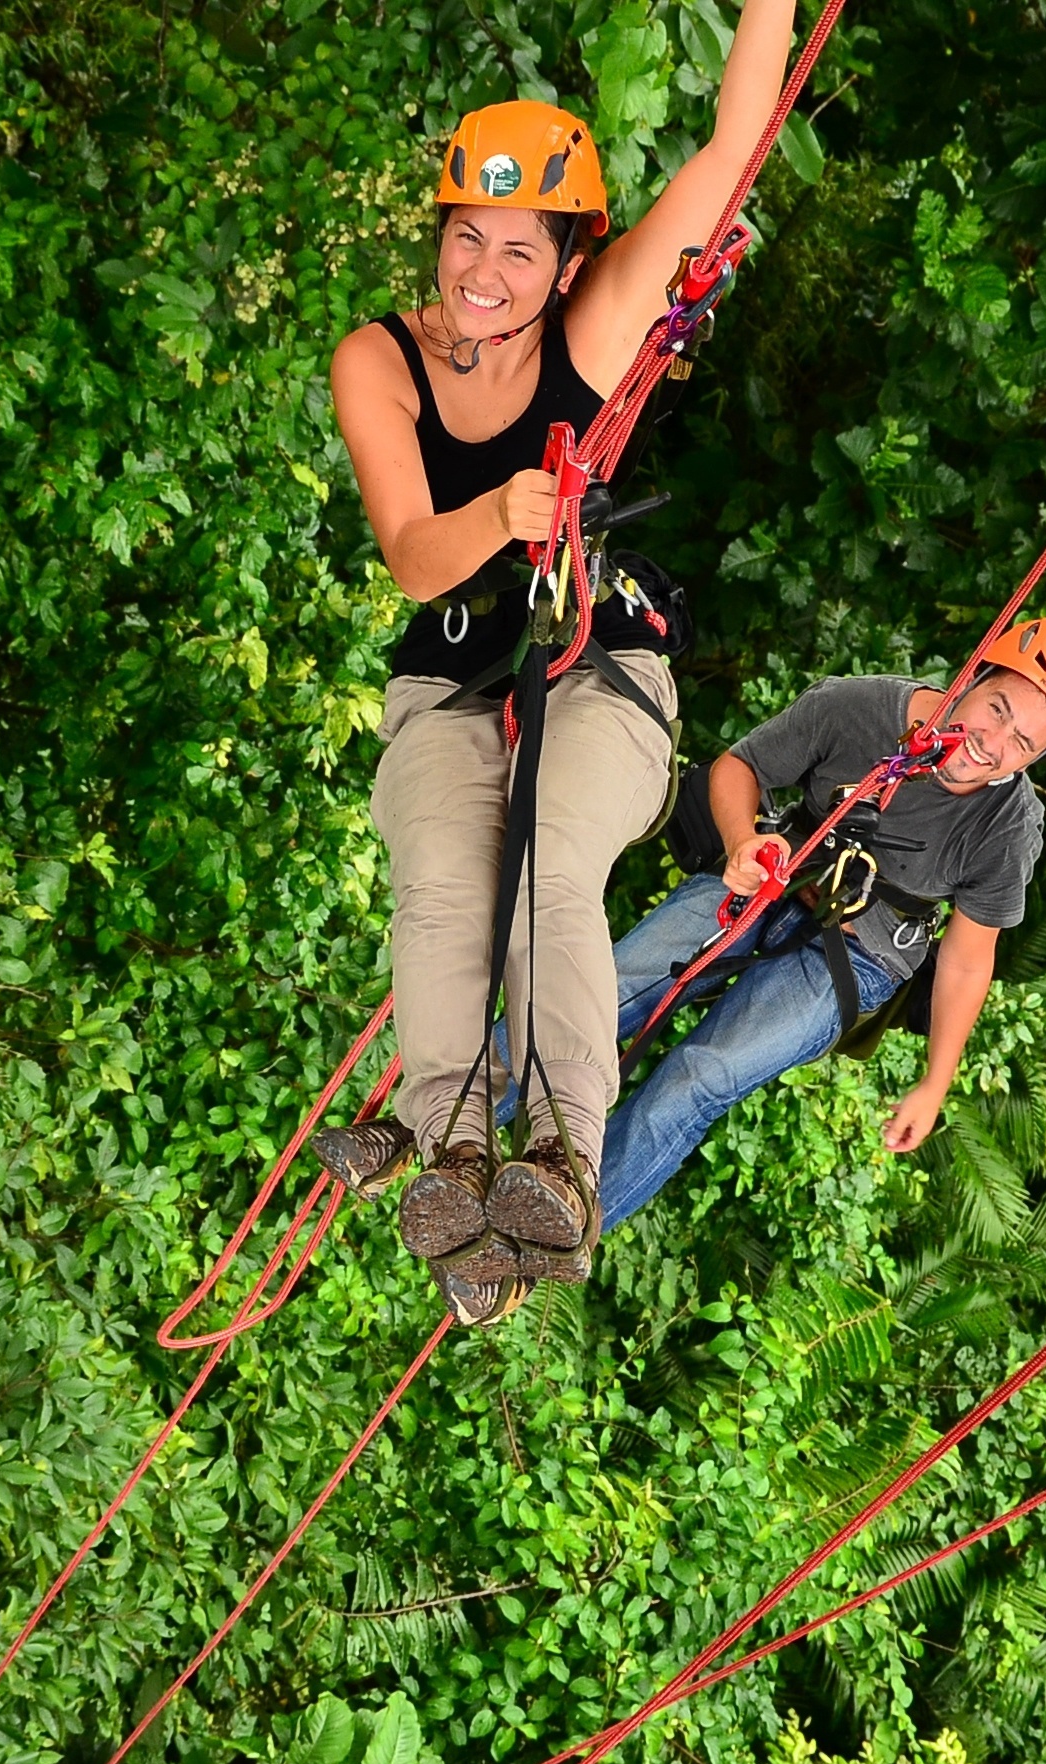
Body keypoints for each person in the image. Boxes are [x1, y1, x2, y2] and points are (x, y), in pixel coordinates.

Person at [312, 8, 798, 1328]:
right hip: (455, 668)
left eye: (522, 246)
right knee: (442, 870)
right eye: (467, 231)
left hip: (602, 661)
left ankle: (561, 1169)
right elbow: (416, 554)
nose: (485, 266)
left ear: (571, 255)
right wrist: (503, 515)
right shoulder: (384, 356)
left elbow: (736, 143)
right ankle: (454, 1157)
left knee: (549, 861)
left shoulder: (595, 333)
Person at [445, 619, 1046, 1284]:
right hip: (774, 874)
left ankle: (533, 1255)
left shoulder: (1010, 827)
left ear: (1036, 760)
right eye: (996, 709)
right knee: (608, 989)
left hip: (858, 955)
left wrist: (935, 1084)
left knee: (699, 1077)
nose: (992, 743)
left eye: (1022, 742)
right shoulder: (861, 709)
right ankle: (444, 1130)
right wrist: (740, 843)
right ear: (973, 679)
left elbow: (968, 959)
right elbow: (743, 767)